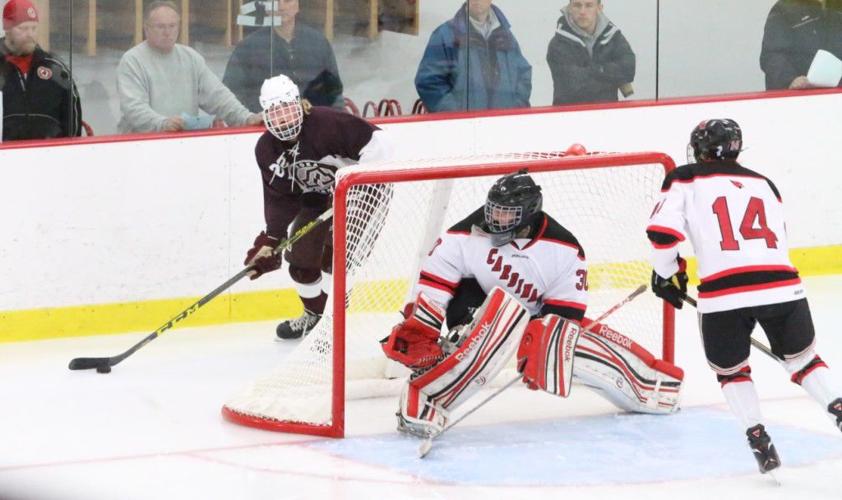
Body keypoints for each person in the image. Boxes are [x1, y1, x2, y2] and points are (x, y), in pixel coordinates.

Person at [381, 171, 683, 437]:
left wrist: (546, 343)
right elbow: (437, 279)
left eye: (506, 214)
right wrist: (423, 327)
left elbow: (567, 314)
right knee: (493, 325)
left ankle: (651, 387)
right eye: (494, 211)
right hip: (475, 304)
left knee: (569, 344)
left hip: (535, 315)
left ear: (529, 214)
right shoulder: (466, 233)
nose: (495, 219)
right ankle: (428, 395)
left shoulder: (564, 248)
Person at [646, 118, 842, 475]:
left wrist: (666, 273)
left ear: (700, 149)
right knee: (804, 361)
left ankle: (759, 441)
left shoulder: (685, 177)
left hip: (723, 294)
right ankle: (838, 406)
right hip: (783, 287)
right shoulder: (765, 183)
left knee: (733, 371)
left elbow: (662, 236)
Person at [244, 74, 391, 340]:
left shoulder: (329, 124)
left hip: (361, 192)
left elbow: (380, 143)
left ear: (300, 105)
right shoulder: (266, 149)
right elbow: (279, 197)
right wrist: (273, 239)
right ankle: (315, 316)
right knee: (300, 262)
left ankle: (333, 326)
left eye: (288, 109)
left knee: (336, 257)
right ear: (265, 116)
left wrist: (359, 183)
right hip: (318, 198)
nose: (284, 119)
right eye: (276, 114)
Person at [116, 1, 262, 133]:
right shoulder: (132, 61)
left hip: (184, 143)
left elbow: (218, 97)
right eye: (160, 27)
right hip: (139, 147)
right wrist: (162, 124)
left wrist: (246, 118)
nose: (167, 32)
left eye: (172, 26)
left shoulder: (191, 58)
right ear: (146, 28)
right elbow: (134, 109)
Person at [222, 0, 344, 112]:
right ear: (267, 8)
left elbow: (334, 93)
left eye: (287, 0)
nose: (281, 7)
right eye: (274, 2)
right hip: (266, 125)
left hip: (315, 123)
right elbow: (231, 94)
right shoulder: (248, 47)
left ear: (297, 5)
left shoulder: (318, 43)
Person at [414, 0, 532, 112]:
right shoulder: (446, 35)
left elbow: (523, 74)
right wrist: (456, 114)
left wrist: (515, 108)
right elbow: (428, 82)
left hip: (502, 126)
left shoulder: (505, 35)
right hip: (463, 129)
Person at [1, 0, 81, 141]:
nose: (30, 34)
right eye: (23, 28)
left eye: (34, 28)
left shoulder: (55, 70)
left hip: (48, 157)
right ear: (7, 29)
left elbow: (72, 121)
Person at [546, 0, 635, 106]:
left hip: (608, 115)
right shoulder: (558, 44)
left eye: (589, 5)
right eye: (577, 5)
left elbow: (628, 70)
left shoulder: (613, 36)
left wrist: (591, 72)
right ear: (569, 8)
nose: (582, 11)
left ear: (599, 8)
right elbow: (573, 86)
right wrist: (611, 77)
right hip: (569, 116)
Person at [760, 0, 842, 90]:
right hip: (797, 96)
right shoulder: (784, 9)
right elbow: (772, 55)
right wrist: (790, 79)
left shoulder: (837, 9)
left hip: (835, 95)